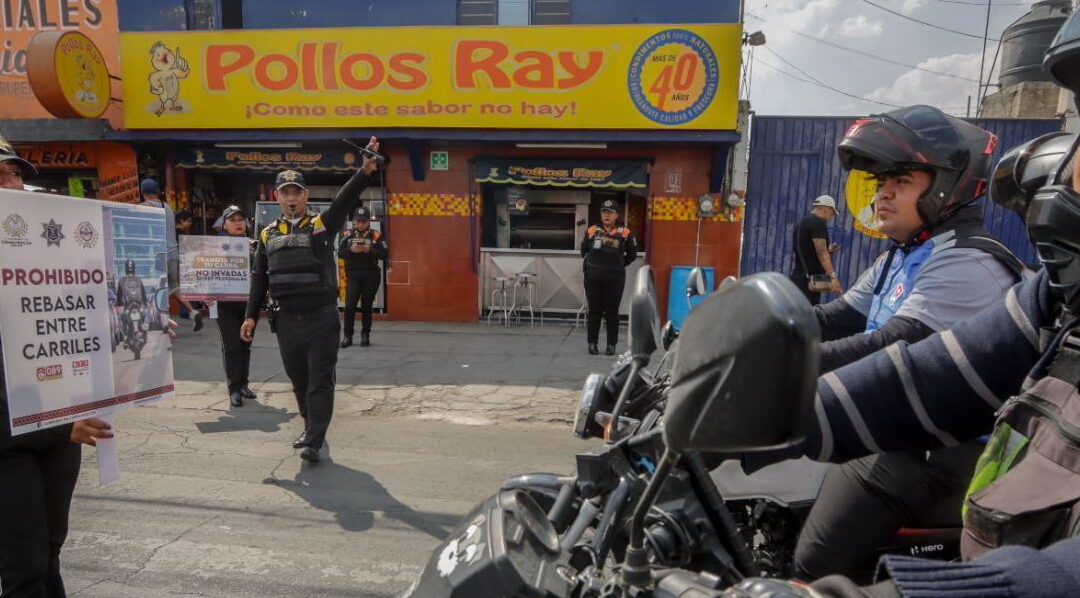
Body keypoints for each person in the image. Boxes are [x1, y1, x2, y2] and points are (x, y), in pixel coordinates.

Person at [792, 105, 1026, 581]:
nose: (883, 193)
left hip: (942, 447)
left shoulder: (968, 262)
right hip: (901, 420)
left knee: (813, 562)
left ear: (946, 187)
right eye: (881, 182)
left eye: (900, 181)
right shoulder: (901, 256)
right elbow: (835, 317)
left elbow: (892, 345)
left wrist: (780, 368)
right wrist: (757, 331)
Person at [0, 136, 115, 597]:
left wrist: (140, 325)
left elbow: (74, 323)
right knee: (24, 565)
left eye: (13, 174)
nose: (11, 185)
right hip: (9, 440)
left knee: (49, 551)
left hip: (59, 428)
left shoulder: (44, 257)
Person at [240, 137, 380, 464]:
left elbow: (343, 202)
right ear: (276, 197)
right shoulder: (267, 234)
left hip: (321, 319)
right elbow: (259, 277)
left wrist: (363, 172)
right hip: (287, 321)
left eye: (297, 192)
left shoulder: (320, 226)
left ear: (305, 195)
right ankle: (309, 426)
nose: (291, 198)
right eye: (285, 193)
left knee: (320, 380)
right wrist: (250, 316)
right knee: (299, 381)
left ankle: (314, 440)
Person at [140, 179, 203, 332]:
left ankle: (160, 320)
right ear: (158, 191)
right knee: (173, 286)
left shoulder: (143, 207)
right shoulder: (167, 207)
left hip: (158, 254)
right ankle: (193, 312)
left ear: (142, 192)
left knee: (155, 287)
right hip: (173, 253)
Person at [213, 205, 257, 408]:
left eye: (241, 219)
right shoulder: (213, 247)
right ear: (224, 224)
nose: (238, 223)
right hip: (224, 305)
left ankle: (244, 384)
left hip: (248, 305)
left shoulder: (254, 245)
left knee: (245, 345)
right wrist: (203, 294)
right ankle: (234, 388)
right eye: (233, 220)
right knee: (231, 347)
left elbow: (261, 273)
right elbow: (203, 273)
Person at [581, 199, 637, 356]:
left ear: (616, 215)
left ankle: (611, 345)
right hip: (593, 278)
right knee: (594, 311)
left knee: (612, 312)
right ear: (601, 214)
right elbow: (583, 251)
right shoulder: (592, 230)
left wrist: (618, 265)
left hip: (615, 278)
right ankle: (592, 344)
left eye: (610, 213)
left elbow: (632, 255)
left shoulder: (625, 233)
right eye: (604, 212)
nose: (607, 216)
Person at [338, 206, 387, 348]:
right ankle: (348, 336)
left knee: (367, 306)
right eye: (358, 221)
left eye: (364, 221)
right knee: (350, 306)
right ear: (354, 221)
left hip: (371, 275)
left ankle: (365, 335)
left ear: (369, 221)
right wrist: (351, 250)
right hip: (353, 275)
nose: (361, 224)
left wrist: (369, 250)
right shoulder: (347, 234)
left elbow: (384, 254)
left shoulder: (376, 235)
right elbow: (340, 253)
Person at [789, 195, 842, 305]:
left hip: (797, 279)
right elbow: (822, 254)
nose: (831, 217)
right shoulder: (818, 222)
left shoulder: (802, 222)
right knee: (809, 313)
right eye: (832, 213)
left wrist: (829, 249)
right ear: (826, 209)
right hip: (808, 284)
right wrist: (833, 277)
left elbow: (803, 250)